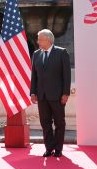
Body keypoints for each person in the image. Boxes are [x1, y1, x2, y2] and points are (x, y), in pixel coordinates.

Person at [30, 29, 71, 158]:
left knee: (59, 123)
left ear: (48, 40)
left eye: (40, 39)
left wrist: (65, 93)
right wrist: (33, 92)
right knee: (45, 123)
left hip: (57, 96)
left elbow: (67, 76)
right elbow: (34, 76)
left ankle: (58, 149)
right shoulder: (36, 54)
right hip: (42, 96)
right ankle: (49, 148)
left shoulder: (61, 53)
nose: (38, 42)